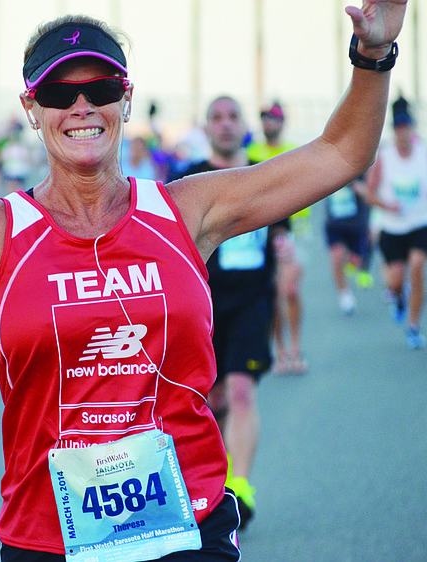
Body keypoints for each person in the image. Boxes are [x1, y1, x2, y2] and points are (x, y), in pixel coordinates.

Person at [0, 3, 407, 560]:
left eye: (100, 87)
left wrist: (371, 54)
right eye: (58, 92)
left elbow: (339, 155)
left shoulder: (186, 211)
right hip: (49, 537)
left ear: (125, 97)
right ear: (30, 108)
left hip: (187, 523)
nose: (81, 106)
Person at [169, 95, 289, 528]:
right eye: (216, 118)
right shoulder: (187, 181)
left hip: (253, 299)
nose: (225, 125)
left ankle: (240, 488)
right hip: (202, 306)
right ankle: (213, 481)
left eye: (232, 116)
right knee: (213, 400)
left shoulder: (262, 175)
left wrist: (283, 245)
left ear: (244, 124)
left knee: (241, 391)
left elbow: (281, 225)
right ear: (206, 128)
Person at [365, 96, 427, 349]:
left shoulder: (425, 152)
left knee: (418, 267)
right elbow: (370, 192)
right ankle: (399, 297)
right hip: (392, 226)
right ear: (394, 132)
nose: (403, 134)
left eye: (406, 129)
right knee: (395, 280)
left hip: (421, 221)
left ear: (412, 130)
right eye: (398, 129)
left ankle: (413, 327)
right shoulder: (385, 156)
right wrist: (387, 206)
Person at [247, 102, 307, 375]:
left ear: (283, 123)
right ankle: (281, 352)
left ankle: (296, 347)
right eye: (265, 119)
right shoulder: (251, 153)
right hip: (262, 233)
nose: (268, 123)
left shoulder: (295, 151)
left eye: (273, 119)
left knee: (290, 290)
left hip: (296, 230)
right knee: (272, 295)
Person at [324, 175, 374, 314]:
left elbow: (371, 192)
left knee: (355, 261)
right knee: (337, 257)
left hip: (356, 224)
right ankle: (344, 295)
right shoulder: (329, 167)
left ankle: (351, 267)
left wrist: (358, 187)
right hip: (334, 224)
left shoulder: (360, 167)